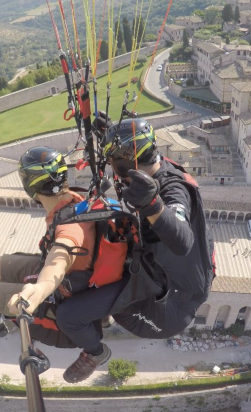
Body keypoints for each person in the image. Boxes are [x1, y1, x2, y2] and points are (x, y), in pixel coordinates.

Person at [0, 146, 120, 374]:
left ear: (30, 186)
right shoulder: (73, 200)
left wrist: (38, 290)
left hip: (64, 302)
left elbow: (60, 258)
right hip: (77, 277)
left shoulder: (69, 227)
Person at [52, 118, 215, 383]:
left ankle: (95, 353)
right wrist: (111, 135)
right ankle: (99, 316)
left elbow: (182, 240)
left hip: (163, 305)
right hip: (151, 271)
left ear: (127, 164)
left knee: (69, 316)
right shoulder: (151, 169)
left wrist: (153, 205)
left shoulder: (173, 188)